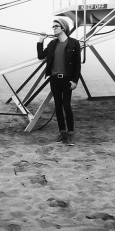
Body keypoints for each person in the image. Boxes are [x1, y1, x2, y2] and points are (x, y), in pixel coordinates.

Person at [37, 17, 81, 146]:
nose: (53, 28)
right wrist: (40, 40)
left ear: (63, 28)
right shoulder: (52, 44)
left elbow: (77, 65)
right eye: (53, 26)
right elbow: (41, 56)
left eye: (56, 26)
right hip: (54, 79)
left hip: (67, 80)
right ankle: (63, 134)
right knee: (57, 106)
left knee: (66, 106)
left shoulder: (74, 43)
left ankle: (71, 133)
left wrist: (75, 81)